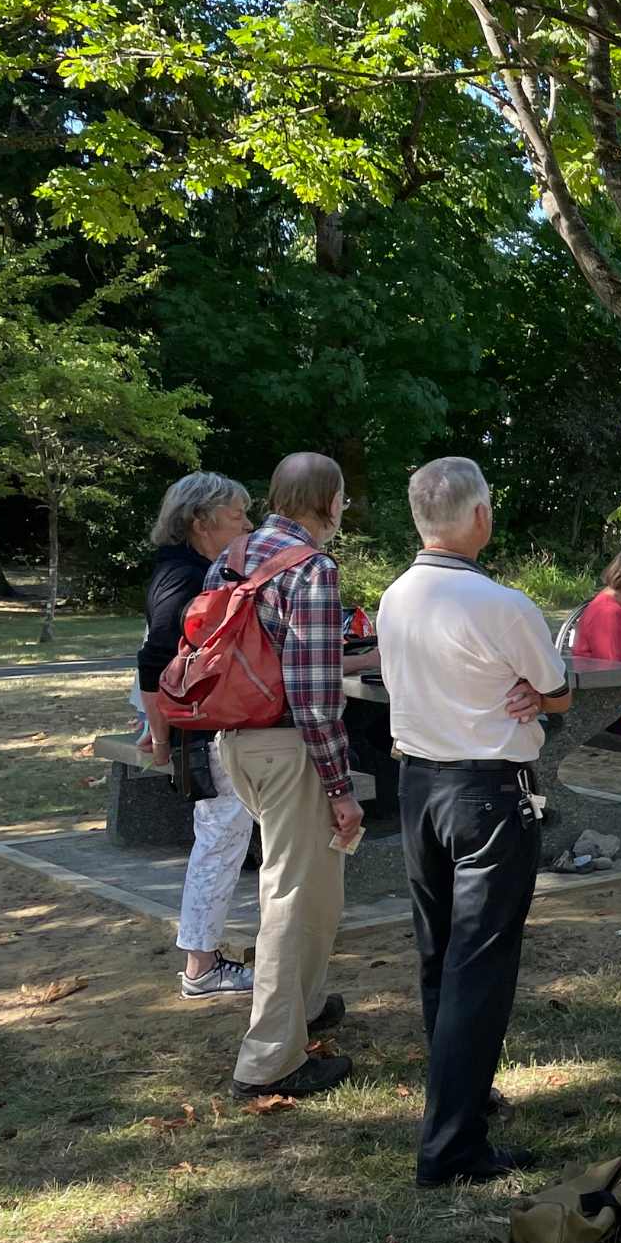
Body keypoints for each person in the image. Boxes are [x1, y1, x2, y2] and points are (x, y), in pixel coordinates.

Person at [378, 457, 572, 1187]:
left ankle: (458, 1097)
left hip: (419, 783)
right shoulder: (501, 603)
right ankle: (453, 1143)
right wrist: (532, 689)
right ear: (480, 516)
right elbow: (556, 692)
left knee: (439, 954)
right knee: (479, 966)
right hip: (487, 790)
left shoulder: (395, 596)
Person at [208, 452, 363, 1100]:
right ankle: (271, 1059)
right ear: (327, 501)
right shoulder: (313, 568)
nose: (343, 510)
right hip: (288, 746)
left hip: (234, 740)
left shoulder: (233, 555)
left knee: (312, 884)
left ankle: (303, 1007)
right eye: (342, 499)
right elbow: (315, 697)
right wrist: (340, 787)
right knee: (293, 895)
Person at [137, 472, 257, 999]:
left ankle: (204, 961)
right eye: (237, 515)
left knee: (224, 836)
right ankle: (202, 966)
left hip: (202, 729)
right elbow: (152, 659)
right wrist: (160, 737)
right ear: (200, 521)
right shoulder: (183, 577)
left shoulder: (197, 570)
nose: (248, 525)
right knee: (221, 837)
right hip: (201, 734)